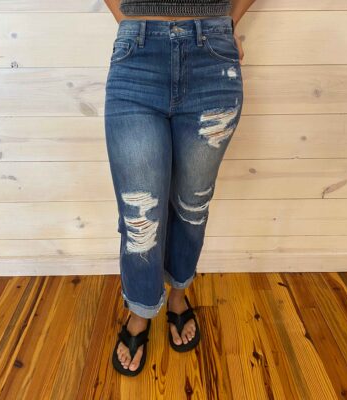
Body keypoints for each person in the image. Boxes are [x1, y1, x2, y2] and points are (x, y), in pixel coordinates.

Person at [104, 0, 255, 376]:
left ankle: (178, 294)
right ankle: (140, 311)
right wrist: (130, 24)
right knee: (140, 216)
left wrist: (228, 25)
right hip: (136, 56)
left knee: (192, 205)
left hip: (212, 57)